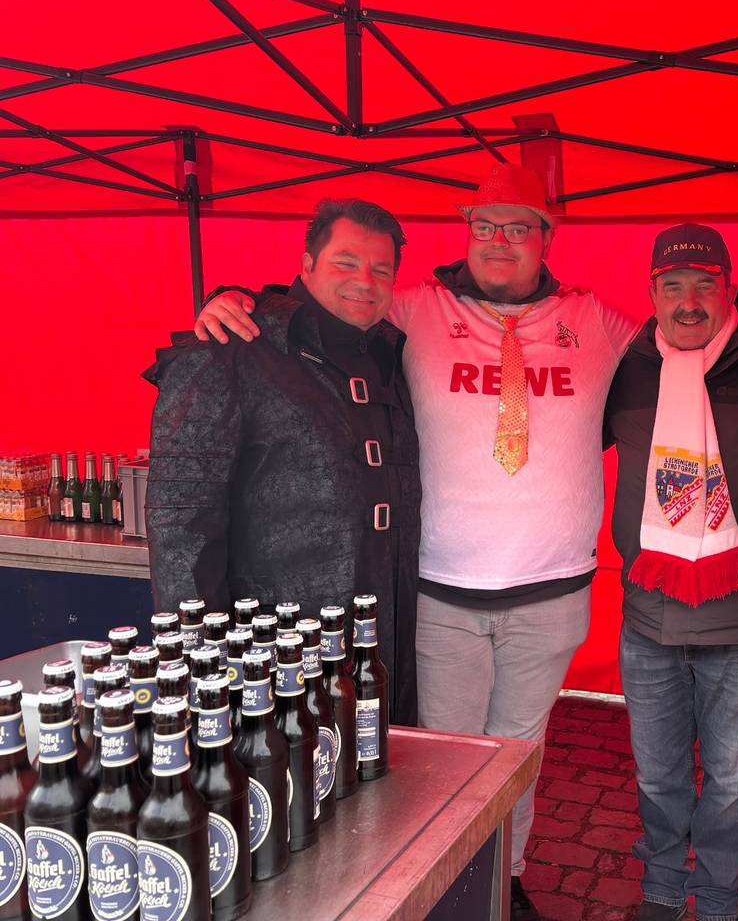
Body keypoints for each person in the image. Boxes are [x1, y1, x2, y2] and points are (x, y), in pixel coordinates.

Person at [194, 163, 640, 920]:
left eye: (519, 227)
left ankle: (506, 879)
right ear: (466, 232)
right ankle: (459, 888)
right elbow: (323, 309)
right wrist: (235, 300)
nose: (499, 240)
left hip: (554, 591)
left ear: (546, 238)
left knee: (520, 751)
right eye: (485, 225)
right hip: (440, 592)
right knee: (446, 760)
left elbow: (687, 344)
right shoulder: (411, 308)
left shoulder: (595, 320)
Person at [145, 199, 421, 725]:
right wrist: (202, 663)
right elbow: (181, 524)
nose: (364, 281)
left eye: (381, 269)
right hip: (273, 655)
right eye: (345, 262)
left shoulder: (391, 354)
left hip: (380, 642)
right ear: (307, 264)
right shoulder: (230, 347)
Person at [604, 224, 738, 921]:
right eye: (672, 286)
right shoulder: (625, 366)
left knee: (733, 784)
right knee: (659, 777)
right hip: (649, 620)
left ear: (730, 289)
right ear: (651, 293)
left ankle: (714, 901)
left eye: (705, 285)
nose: (688, 302)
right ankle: (659, 892)